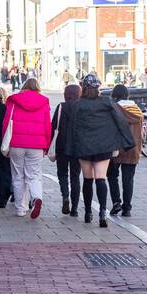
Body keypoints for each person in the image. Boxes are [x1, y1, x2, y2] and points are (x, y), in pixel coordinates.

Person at [64, 74, 134, 227]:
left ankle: (88, 212)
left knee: (88, 179)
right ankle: (102, 211)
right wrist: (127, 141)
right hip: (103, 146)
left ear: (84, 87)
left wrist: (70, 148)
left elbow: (72, 127)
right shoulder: (106, 101)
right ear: (98, 88)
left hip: (83, 146)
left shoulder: (77, 104)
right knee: (101, 179)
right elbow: (120, 120)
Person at [4, 77, 51, 219]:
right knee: (34, 175)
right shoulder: (44, 101)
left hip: (16, 143)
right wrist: (46, 145)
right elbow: (47, 125)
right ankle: (36, 198)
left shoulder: (13, 100)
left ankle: (20, 209)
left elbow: (6, 122)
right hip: (36, 145)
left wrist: (5, 142)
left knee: (18, 176)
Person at [107, 83, 144, 216]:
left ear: (114, 95)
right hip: (132, 149)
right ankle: (127, 208)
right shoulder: (137, 110)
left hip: (116, 148)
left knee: (112, 176)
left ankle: (116, 202)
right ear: (127, 95)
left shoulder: (114, 109)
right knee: (128, 179)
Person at [51, 82, 82, 215]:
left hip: (61, 145)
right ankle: (74, 208)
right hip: (77, 146)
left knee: (62, 173)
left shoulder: (61, 107)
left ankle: (65, 196)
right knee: (75, 176)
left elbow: (53, 126)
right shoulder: (81, 107)